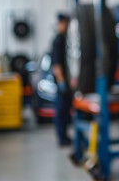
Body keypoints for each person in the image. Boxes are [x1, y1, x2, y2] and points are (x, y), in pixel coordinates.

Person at [51, 13, 72, 146]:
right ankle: (62, 138)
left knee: (65, 111)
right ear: (61, 23)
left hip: (66, 83)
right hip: (61, 84)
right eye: (65, 23)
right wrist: (61, 82)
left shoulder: (65, 39)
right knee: (61, 111)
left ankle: (64, 136)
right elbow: (57, 65)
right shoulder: (58, 40)